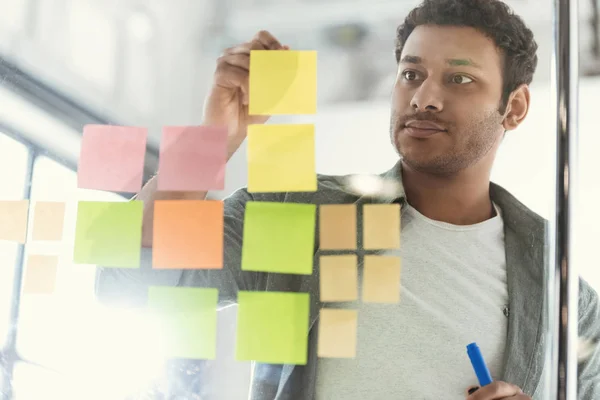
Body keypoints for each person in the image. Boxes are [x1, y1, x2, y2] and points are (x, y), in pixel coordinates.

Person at [96, 0, 600, 399]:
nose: (424, 96)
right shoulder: (298, 217)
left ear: (514, 107)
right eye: (411, 73)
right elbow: (128, 279)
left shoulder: (567, 301)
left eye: (459, 79)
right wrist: (212, 139)